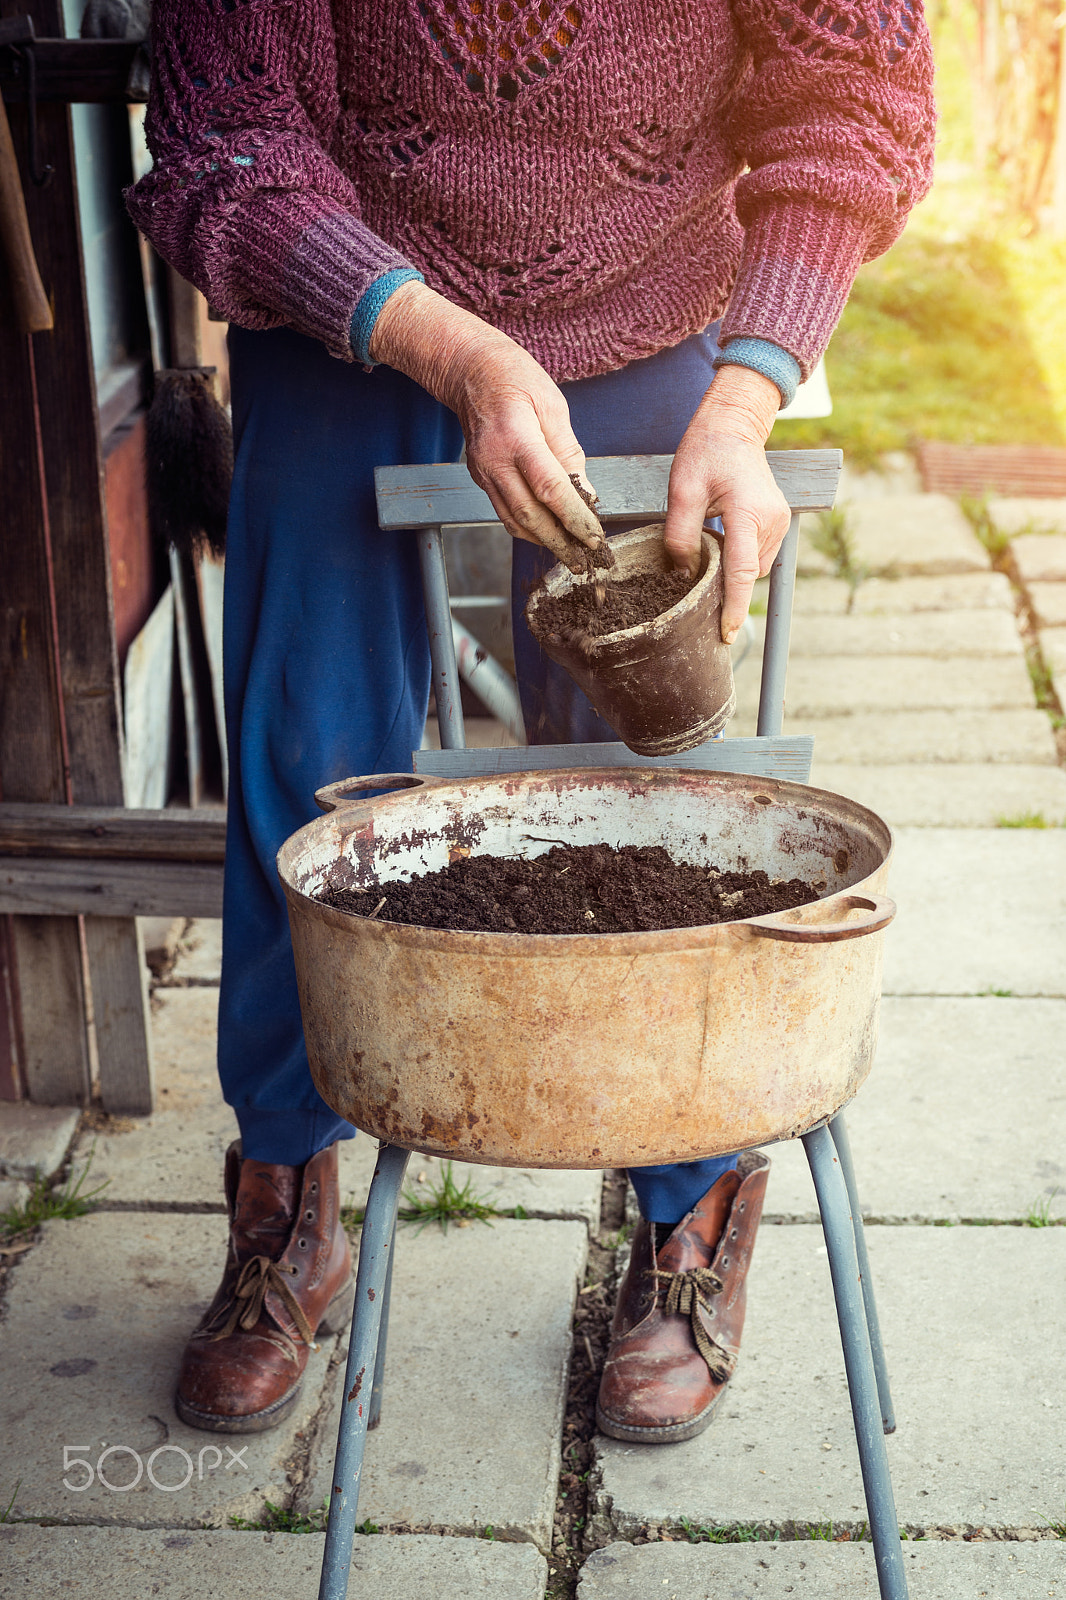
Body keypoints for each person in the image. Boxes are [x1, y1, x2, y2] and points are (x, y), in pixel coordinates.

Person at [128, 0, 935, 1443]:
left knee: (660, 795)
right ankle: (284, 1207)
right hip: (348, 308)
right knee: (303, 759)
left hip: (658, 304)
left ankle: (689, 1212)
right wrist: (457, 350)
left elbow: (850, 103)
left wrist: (747, 401)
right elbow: (225, 139)